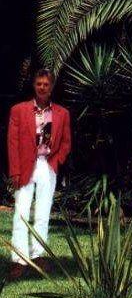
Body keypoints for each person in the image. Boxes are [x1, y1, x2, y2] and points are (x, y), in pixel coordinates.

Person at [7, 69, 72, 280]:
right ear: (34, 85)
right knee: (21, 213)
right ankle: (19, 259)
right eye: (39, 84)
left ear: (51, 87)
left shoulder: (62, 113)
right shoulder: (19, 110)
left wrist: (57, 160)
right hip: (25, 165)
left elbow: (66, 143)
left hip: (47, 165)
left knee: (43, 214)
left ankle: (38, 255)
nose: (42, 87)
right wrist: (15, 170)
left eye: (46, 84)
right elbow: (12, 143)